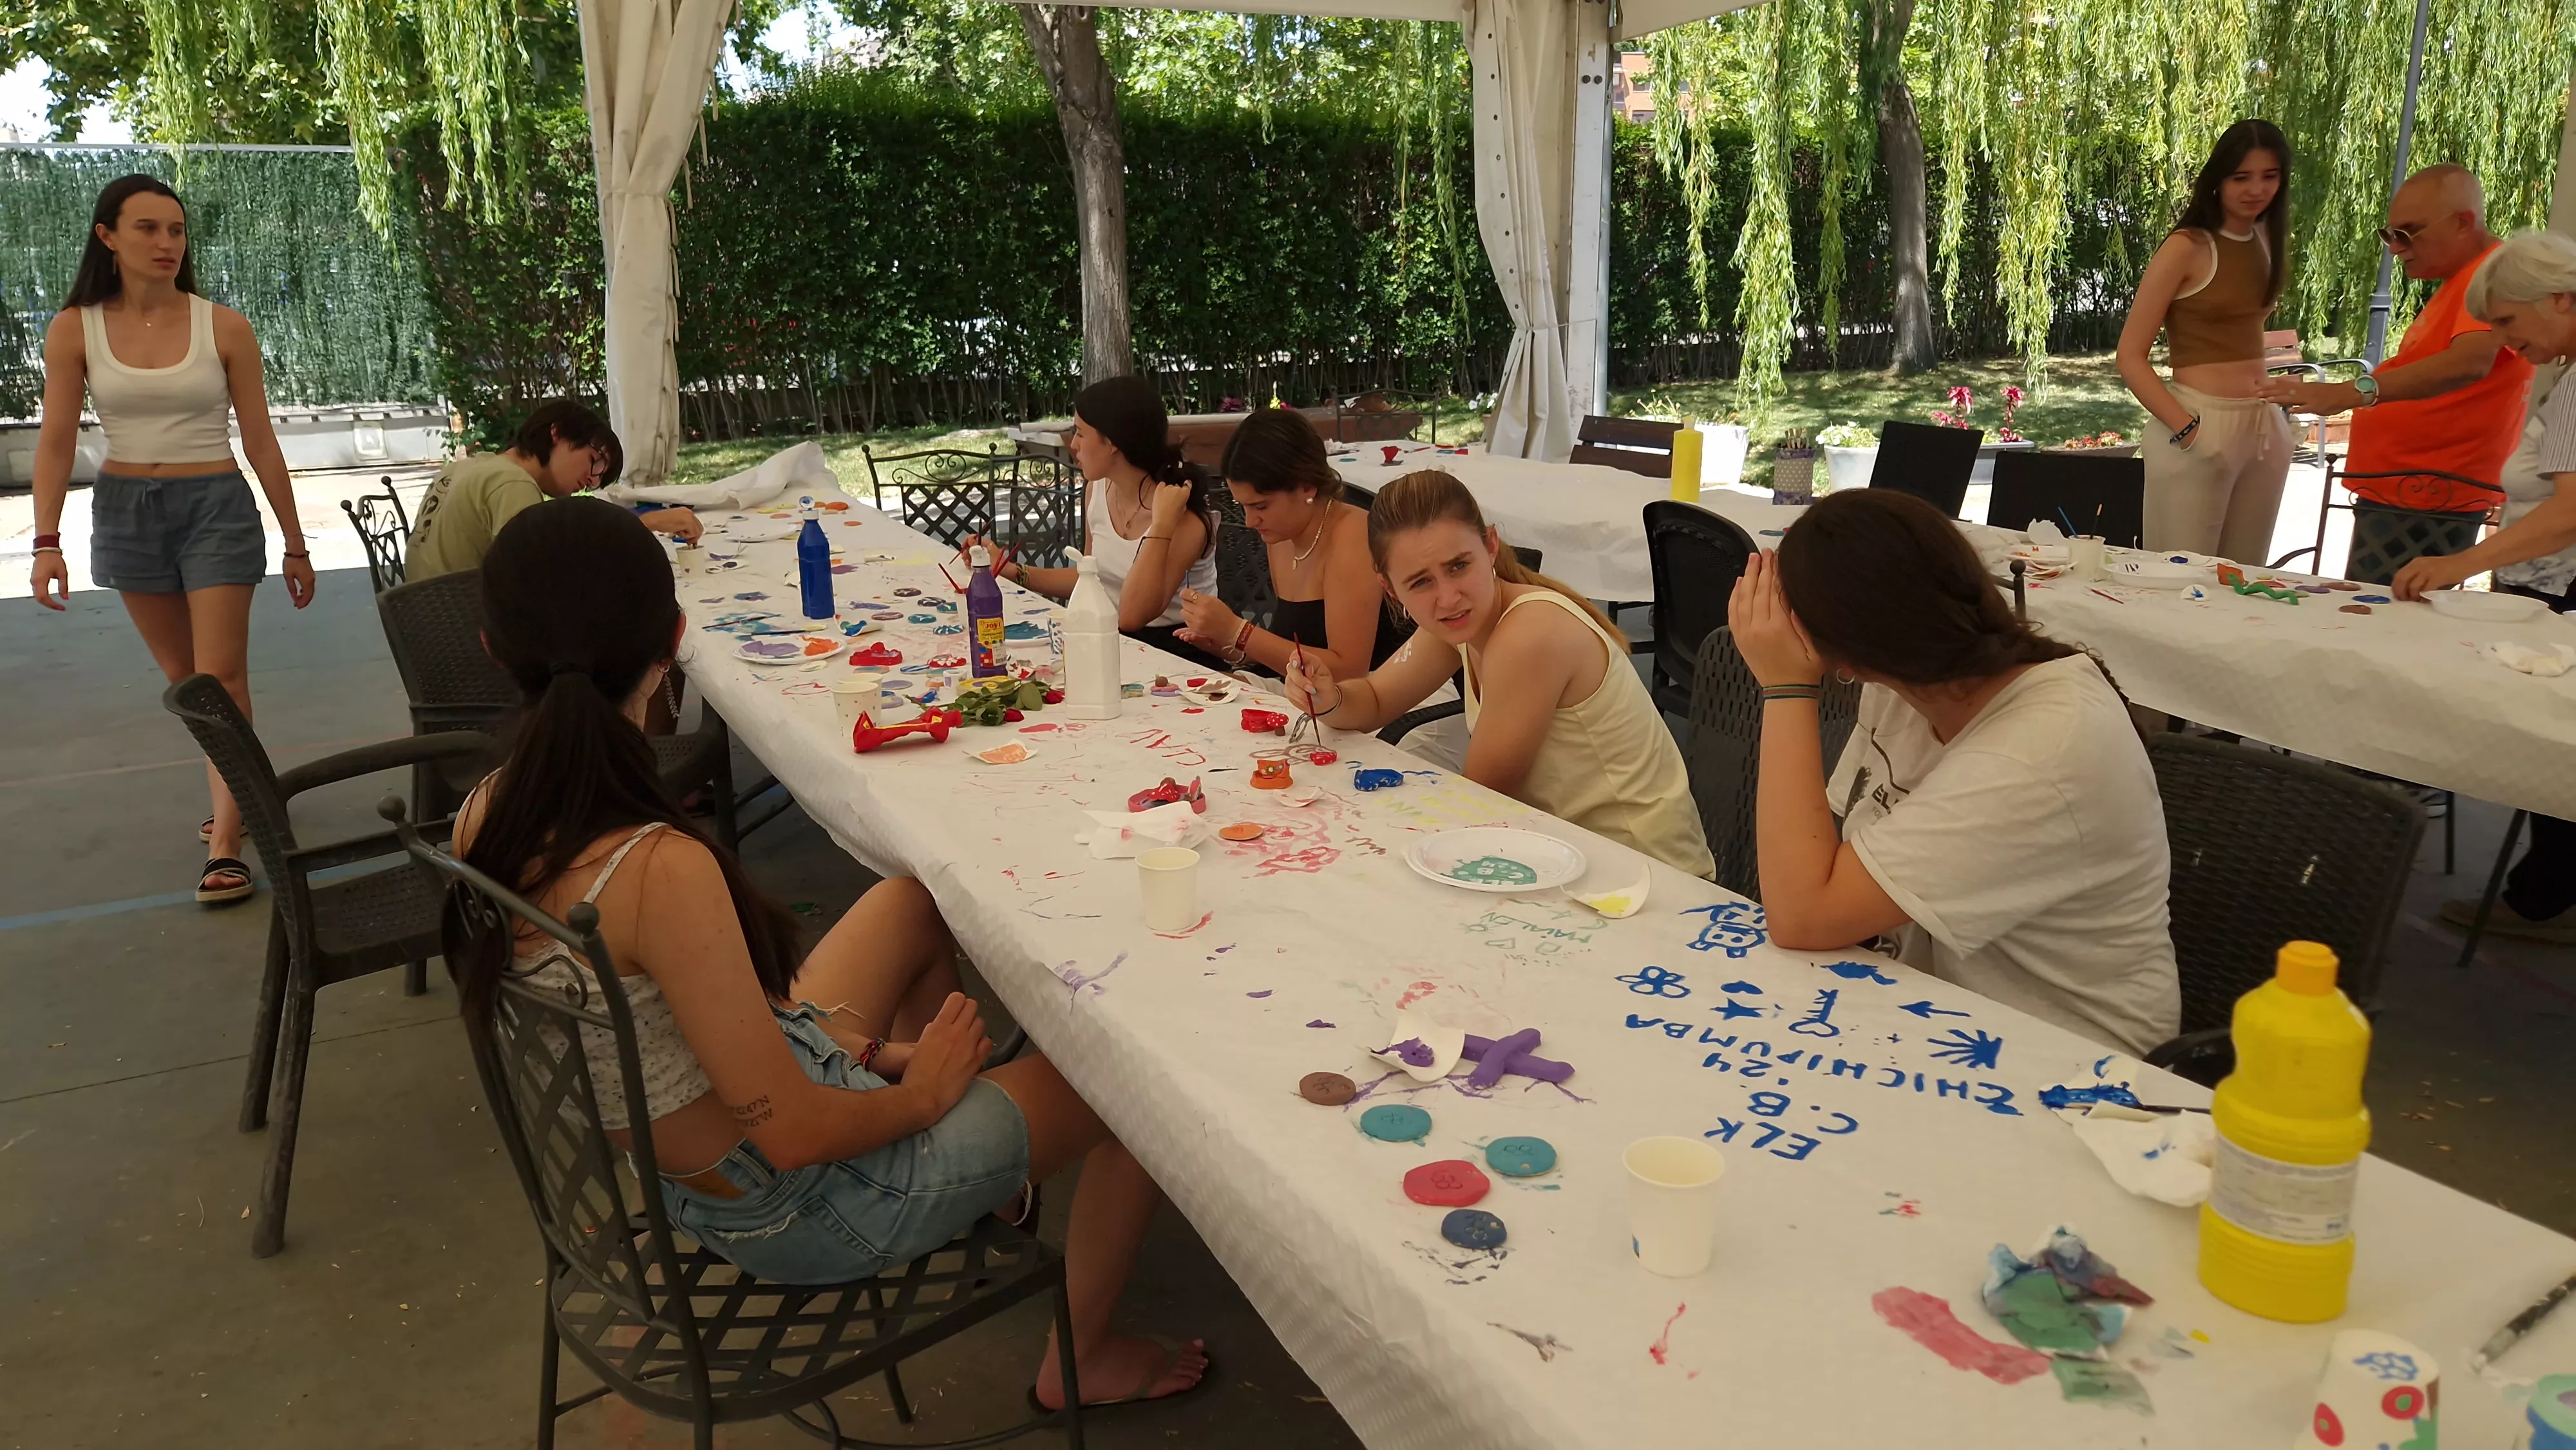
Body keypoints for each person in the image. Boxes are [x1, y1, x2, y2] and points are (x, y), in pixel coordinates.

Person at [453, 498, 1207, 1408]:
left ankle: (993, 1180)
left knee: (909, 900)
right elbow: (794, 1134)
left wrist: (882, 1057)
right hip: (798, 1201)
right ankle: (1079, 1360)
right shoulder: (657, 868)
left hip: (709, 1151)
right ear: (675, 640)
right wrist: (923, 1096)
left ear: (494, 650)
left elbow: (692, 1031)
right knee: (1136, 1078)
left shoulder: (486, 812)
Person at [1728, 489, 2180, 1054]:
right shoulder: (1912, 678)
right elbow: (1825, 870)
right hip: (1927, 1010)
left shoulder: (2038, 749)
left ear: (1843, 654)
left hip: (2065, 1059)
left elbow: (1802, 916)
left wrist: (1787, 688)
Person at [26, 174, 316, 906]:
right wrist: (46, 540)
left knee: (221, 678)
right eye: (148, 228)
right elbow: (56, 440)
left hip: (216, 505)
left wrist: (295, 541)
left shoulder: (224, 327)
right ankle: (246, 791)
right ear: (107, 236)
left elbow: (261, 441)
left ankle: (227, 843)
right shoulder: (75, 328)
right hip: (126, 511)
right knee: (189, 686)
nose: (166, 244)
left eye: (177, 230)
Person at [1281, 470, 1715, 878]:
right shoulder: (1462, 621)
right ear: (1390, 589)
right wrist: (1327, 698)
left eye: (1458, 566)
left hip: (1647, 877)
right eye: (1420, 582)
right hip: (1566, 855)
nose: (1448, 597)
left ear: (1490, 546)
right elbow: (1375, 700)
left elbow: (1482, 798)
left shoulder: (1528, 633)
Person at [2382, 231, 2576, 942]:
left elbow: (2568, 514)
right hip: (2546, 580)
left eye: (2508, 321)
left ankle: (2542, 901)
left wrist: (2455, 566)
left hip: (2559, 588)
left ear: (2560, 299)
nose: (2504, 339)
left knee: (2554, 746)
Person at [2261, 165, 2532, 578]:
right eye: (2388, 235)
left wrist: (2348, 393)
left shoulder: (2490, 274)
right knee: (2375, 606)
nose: (2394, 247)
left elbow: (2469, 362)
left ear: (2463, 222)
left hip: (2429, 493)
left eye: (2408, 233)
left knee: (2386, 610)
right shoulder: (2468, 277)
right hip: (2410, 490)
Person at [2117, 118, 2297, 562]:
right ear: (2218, 179)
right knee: (2180, 580)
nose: (2256, 189)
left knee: (2243, 578)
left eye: (2270, 176)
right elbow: (2130, 356)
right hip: (2200, 420)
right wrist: (2188, 430)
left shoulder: (2266, 238)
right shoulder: (2187, 246)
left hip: (2264, 427)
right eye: (2241, 177)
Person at [975, 376, 1218, 667]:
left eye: (1080, 433)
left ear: (1113, 443)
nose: (1073, 444)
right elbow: (1090, 576)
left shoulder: (1182, 516)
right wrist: (1011, 570)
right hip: (1112, 641)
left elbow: (1133, 617)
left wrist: (1161, 526)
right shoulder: (1098, 489)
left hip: (1178, 656)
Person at [1171, 405, 1385, 676]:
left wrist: (1238, 631)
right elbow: (1293, 647)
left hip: (1363, 695)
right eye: (1243, 506)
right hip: (1302, 687)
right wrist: (1228, 645)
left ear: (1307, 486)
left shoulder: (1353, 536)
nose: (1249, 522)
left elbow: (1349, 670)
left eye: (1260, 506)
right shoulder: (1282, 535)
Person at [407, 399, 697, 579]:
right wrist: (644, 523)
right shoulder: (513, 483)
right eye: (594, 461)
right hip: (467, 643)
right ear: (557, 433)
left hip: (426, 632)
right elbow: (554, 571)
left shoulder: (467, 468)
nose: (591, 481)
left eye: (600, 478)